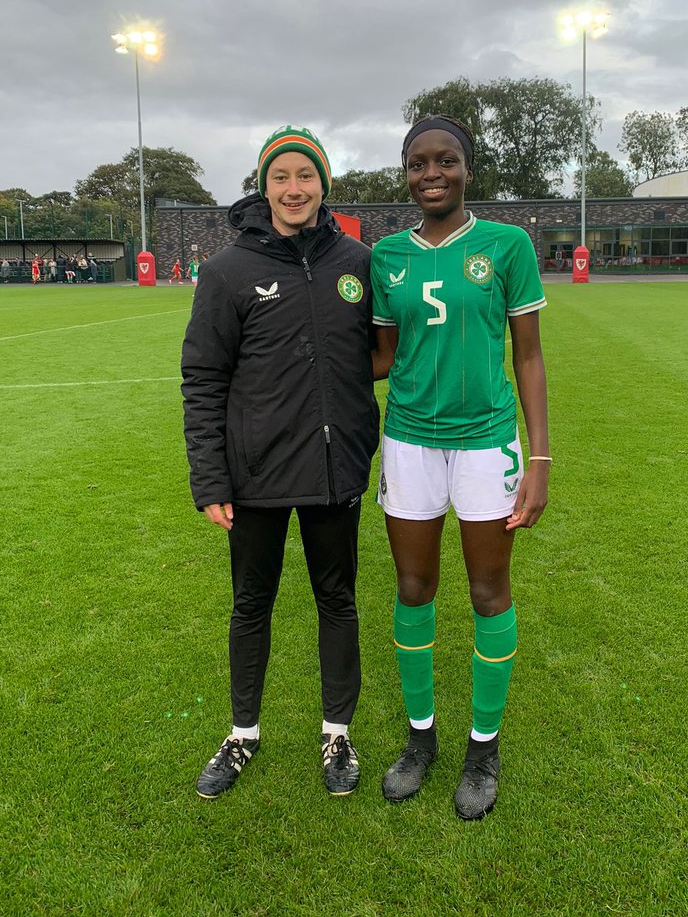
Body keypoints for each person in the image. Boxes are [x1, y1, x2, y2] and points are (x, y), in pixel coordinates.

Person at [181, 125, 379, 801]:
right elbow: (203, 378)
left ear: (324, 183)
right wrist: (209, 476)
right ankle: (242, 736)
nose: (294, 188)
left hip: (333, 473)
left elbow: (378, 355)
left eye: (305, 175)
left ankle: (337, 734)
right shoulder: (227, 270)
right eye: (280, 176)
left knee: (337, 599)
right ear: (263, 186)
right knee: (251, 605)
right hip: (255, 475)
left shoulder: (357, 260)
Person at [371, 114, 550, 821]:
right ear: (406, 173)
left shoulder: (507, 245)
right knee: (413, 588)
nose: (432, 173)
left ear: (469, 169)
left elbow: (528, 355)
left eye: (446, 160)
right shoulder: (387, 256)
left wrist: (537, 458)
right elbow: (381, 359)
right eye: (418, 163)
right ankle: (421, 742)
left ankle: (483, 749)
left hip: (486, 443)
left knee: (487, 593)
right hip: (410, 441)